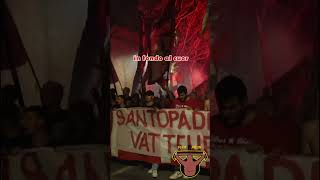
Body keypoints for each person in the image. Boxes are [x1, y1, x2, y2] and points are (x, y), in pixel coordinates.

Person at [211, 75, 296, 154]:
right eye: (222, 108)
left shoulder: (266, 126)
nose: (225, 113)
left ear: (244, 102)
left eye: (232, 108)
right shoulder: (212, 124)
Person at [40, 81, 68, 146]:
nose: (42, 96)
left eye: (47, 93)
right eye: (42, 92)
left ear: (58, 95)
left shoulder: (66, 117)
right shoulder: (37, 114)